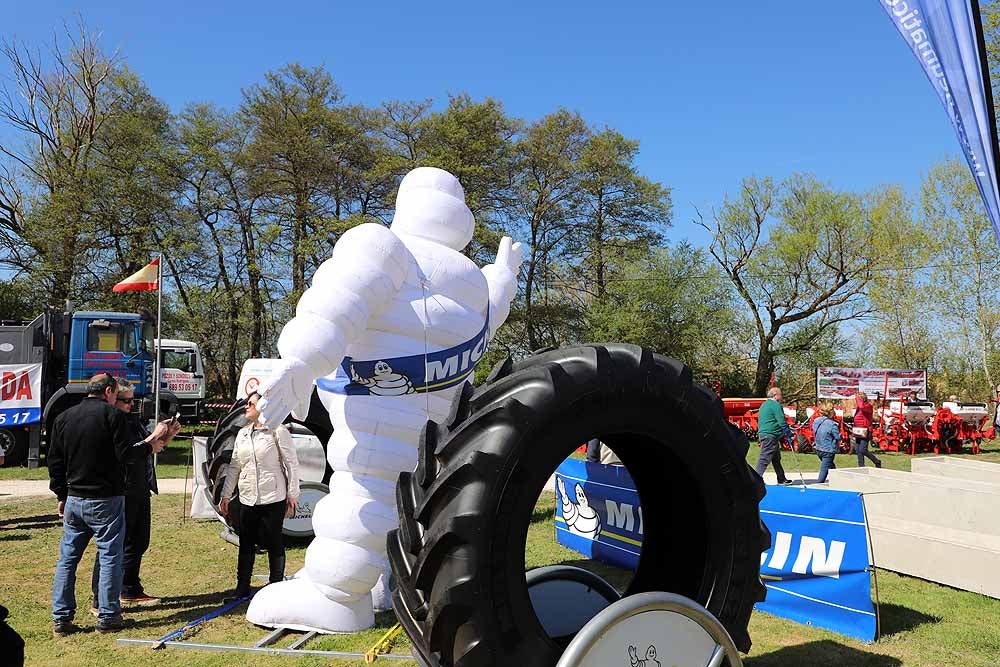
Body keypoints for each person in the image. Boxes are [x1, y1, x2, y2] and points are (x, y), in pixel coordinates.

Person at [48, 374, 167, 636]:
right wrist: (151, 446)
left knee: (67, 559)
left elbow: (54, 462)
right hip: (106, 499)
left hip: (75, 499)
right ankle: (108, 615)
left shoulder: (63, 418)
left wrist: (60, 493)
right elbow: (125, 454)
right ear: (110, 391)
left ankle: (61, 618)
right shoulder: (112, 417)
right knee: (110, 555)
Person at [89, 379, 180, 611]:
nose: (131, 404)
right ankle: (103, 596)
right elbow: (129, 452)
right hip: (123, 488)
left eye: (133, 400)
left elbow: (149, 449)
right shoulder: (112, 422)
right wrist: (154, 436)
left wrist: (166, 436)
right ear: (112, 398)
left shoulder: (131, 420)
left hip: (140, 487)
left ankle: (129, 587)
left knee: (139, 541)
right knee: (115, 545)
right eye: (126, 400)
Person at [220, 392, 300, 600]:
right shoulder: (243, 434)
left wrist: (293, 494)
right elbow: (235, 466)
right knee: (246, 542)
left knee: (274, 540)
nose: (247, 406)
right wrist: (226, 495)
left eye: (251, 403)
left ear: (263, 407)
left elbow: (291, 464)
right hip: (247, 496)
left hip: (273, 496)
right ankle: (242, 587)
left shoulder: (277, 431)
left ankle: (275, 586)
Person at [754, 387, 793, 485]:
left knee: (776, 458)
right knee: (764, 458)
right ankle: (755, 480)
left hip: (765, 433)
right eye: (780, 394)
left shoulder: (764, 405)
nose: (782, 396)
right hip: (770, 434)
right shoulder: (775, 405)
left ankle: (781, 478)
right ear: (775, 395)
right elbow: (782, 421)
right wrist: (788, 434)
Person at [812, 401, 841, 483]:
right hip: (828, 450)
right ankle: (818, 486)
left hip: (818, 448)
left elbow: (814, 430)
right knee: (824, 470)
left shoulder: (816, 421)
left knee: (831, 465)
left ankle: (837, 480)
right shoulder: (833, 424)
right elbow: (837, 437)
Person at [852, 391, 882, 469]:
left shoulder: (868, 406)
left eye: (860, 398)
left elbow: (862, 407)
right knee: (858, 450)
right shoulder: (859, 407)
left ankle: (876, 461)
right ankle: (861, 466)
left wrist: (857, 398)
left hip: (866, 430)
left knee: (863, 450)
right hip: (858, 429)